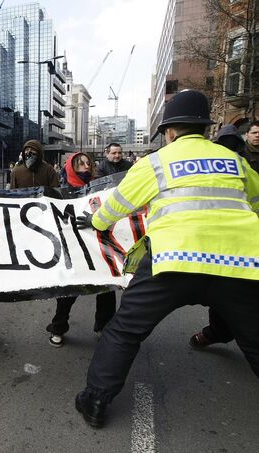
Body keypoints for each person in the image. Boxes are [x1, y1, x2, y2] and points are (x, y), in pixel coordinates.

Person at [74, 89, 259, 429]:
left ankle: (95, 401)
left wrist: (95, 222)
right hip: (240, 262)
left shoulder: (156, 162)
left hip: (174, 259)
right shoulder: (235, 161)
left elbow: (118, 204)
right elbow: (256, 199)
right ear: (205, 128)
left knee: (124, 331)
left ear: (170, 131)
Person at [46, 152, 116, 347]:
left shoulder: (100, 189)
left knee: (107, 289)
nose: (86, 167)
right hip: (74, 249)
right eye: (80, 164)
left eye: (88, 163)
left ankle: (105, 326)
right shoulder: (61, 192)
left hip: (99, 246)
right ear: (71, 168)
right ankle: (58, 327)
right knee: (69, 292)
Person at [188, 124, 247, 348]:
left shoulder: (240, 164)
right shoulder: (234, 163)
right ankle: (217, 331)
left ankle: (218, 332)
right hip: (216, 239)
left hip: (241, 241)